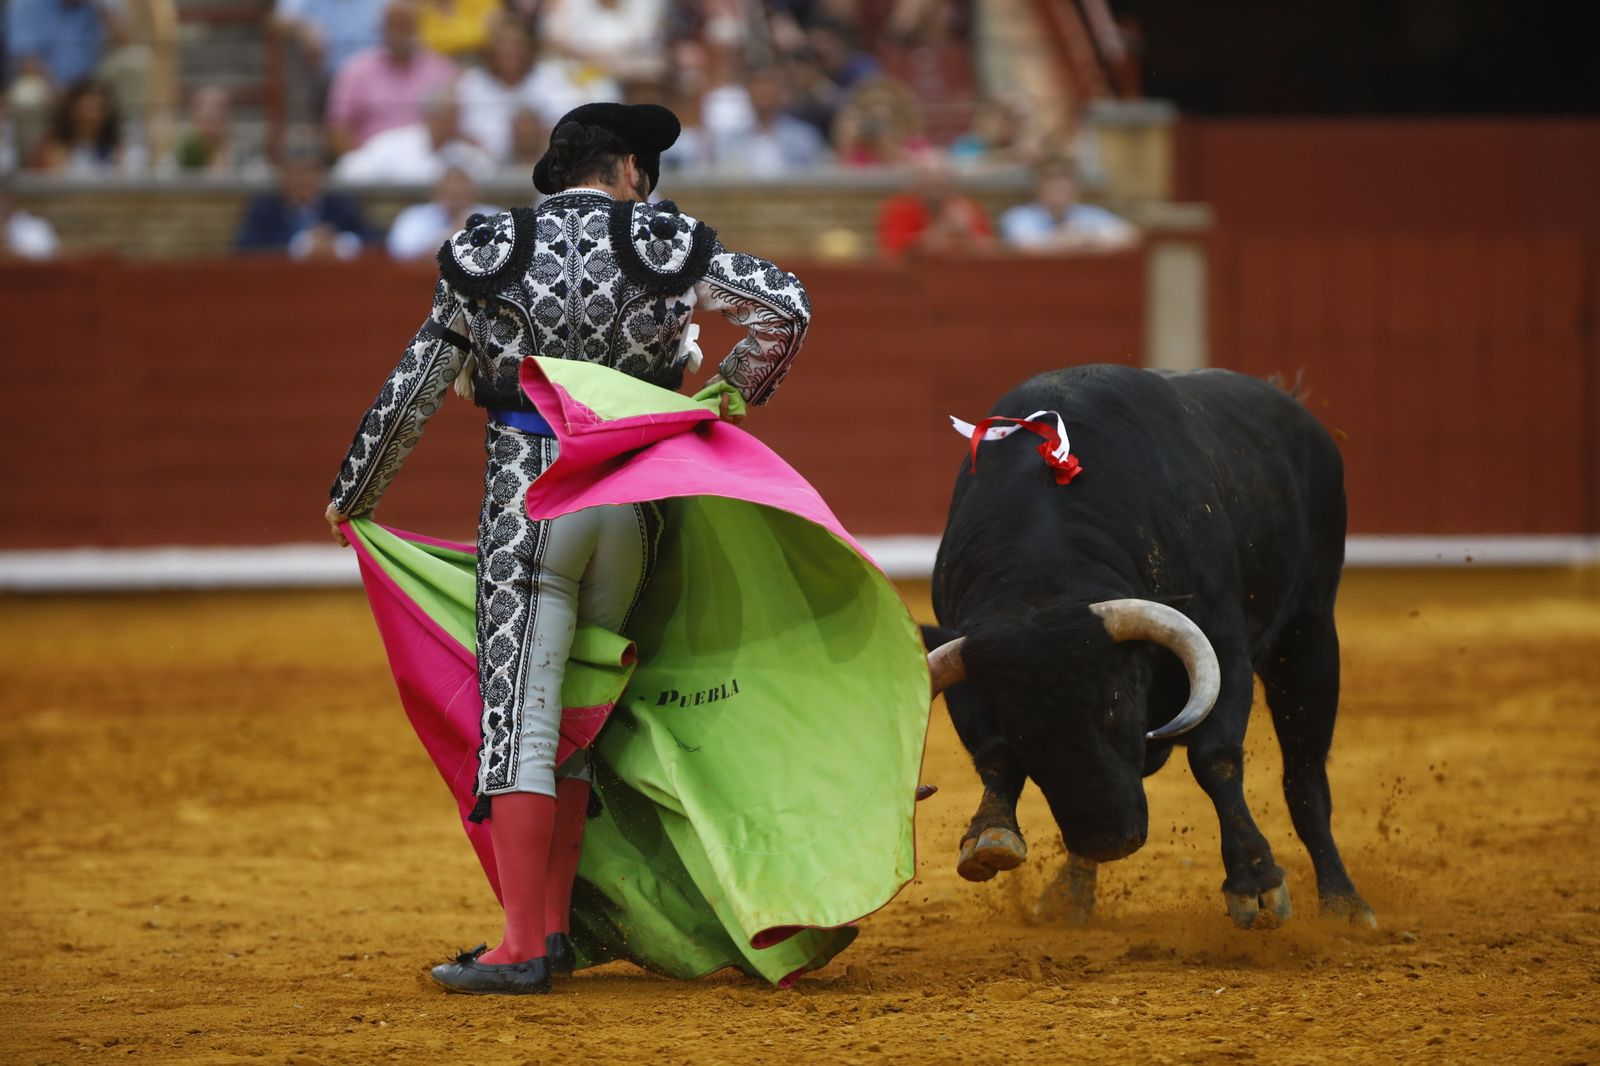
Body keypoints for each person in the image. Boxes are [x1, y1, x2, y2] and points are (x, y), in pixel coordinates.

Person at [322, 101, 811, 995]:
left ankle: (523, 942)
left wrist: (354, 492)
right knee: (579, 712)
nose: (649, 186)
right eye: (646, 169)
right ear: (624, 166)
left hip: (529, 491)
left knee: (519, 712)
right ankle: (546, 935)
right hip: (627, 496)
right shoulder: (665, 247)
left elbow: (419, 381)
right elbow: (786, 310)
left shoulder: (488, 250)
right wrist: (714, 408)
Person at [325, 0, 457, 155]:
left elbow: (453, 125)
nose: (400, 34)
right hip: (370, 163)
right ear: (381, 28)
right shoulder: (356, 71)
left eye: (406, 26)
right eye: (394, 26)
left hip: (427, 163)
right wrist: (364, 162)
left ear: (418, 28)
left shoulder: (441, 70)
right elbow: (338, 128)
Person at [331, 86, 494, 184]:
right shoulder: (394, 143)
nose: (448, 126)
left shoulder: (465, 153)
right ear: (427, 117)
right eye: (442, 118)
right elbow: (348, 170)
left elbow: (490, 174)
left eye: (453, 119)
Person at [235, 145, 371, 259]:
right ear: (283, 176)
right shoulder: (265, 207)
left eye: (308, 172)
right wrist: (299, 244)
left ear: (319, 175)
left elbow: (374, 238)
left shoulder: (339, 205)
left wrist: (341, 243)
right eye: (295, 173)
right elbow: (245, 245)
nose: (301, 180)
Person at [710, 64, 830, 176]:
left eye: (770, 82)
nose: (764, 90)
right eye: (758, 83)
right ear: (748, 90)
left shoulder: (805, 137)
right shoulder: (729, 140)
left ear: (782, 90)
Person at [998, 161, 1139, 254]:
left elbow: (1131, 235)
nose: (1059, 196)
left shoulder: (1090, 214)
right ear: (1038, 190)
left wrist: (1086, 238)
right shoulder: (1019, 217)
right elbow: (1023, 245)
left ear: (1076, 191)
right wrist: (1064, 240)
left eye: (1064, 189)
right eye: (1053, 189)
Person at [876, 148, 994, 258]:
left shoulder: (968, 209)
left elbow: (990, 254)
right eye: (929, 177)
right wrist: (944, 229)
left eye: (942, 178)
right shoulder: (899, 209)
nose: (936, 182)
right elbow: (894, 254)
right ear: (916, 183)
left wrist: (967, 232)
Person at [385, 155, 497, 260]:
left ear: (475, 190)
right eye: (449, 182)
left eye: (461, 182)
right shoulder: (413, 216)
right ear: (436, 189)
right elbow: (401, 251)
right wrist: (448, 236)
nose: (454, 189)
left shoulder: (493, 216)